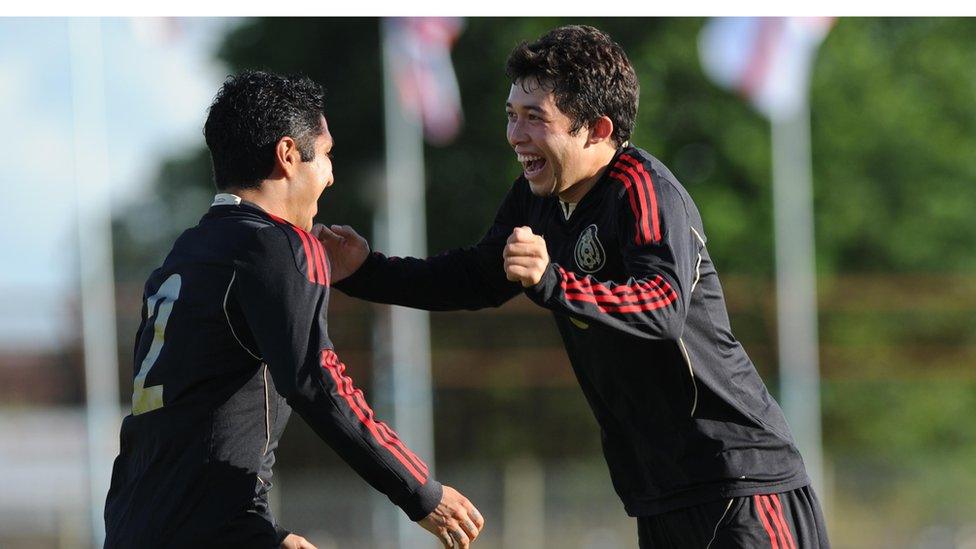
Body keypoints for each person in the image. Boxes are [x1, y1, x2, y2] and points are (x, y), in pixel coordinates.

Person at [318, 26, 829, 548]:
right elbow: (473, 277)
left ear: (597, 129)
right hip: (661, 492)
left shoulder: (641, 189)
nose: (516, 135)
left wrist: (553, 280)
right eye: (512, 115)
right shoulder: (534, 198)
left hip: (742, 481)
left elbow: (663, 304)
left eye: (535, 118)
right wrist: (365, 270)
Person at [104, 70, 483, 549]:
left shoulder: (188, 251)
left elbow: (198, 416)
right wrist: (421, 492)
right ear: (287, 156)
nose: (330, 174)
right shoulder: (277, 245)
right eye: (325, 155)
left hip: (135, 522)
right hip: (209, 530)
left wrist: (266, 533)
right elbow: (318, 383)